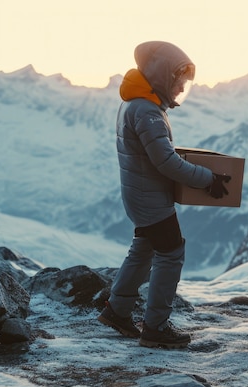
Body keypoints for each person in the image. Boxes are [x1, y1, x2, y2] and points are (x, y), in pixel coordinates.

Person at [98, 41, 230, 348]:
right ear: (161, 76)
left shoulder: (135, 104)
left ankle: (117, 311)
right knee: (171, 254)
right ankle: (155, 327)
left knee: (144, 247)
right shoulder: (147, 111)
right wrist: (207, 178)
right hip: (151, 198)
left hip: (140, 195)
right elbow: (166, 162)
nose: (181, 87)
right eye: (178, 80)